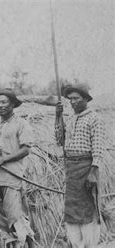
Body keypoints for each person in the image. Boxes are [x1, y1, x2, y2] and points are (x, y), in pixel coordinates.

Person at [55, 84, 106, 248]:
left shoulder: (94, 118)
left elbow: (98, 148)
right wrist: (58, 116)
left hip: (87, 167)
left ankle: (89, 244)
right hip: (71, 169)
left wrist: (93, 172)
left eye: (76, 98)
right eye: (70, 99)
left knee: (88, 207)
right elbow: (59, 141)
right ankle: (75, 243)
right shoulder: (70, 118)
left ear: (85, 99)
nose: (72, 102)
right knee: (72, 208)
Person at [0, 89, 35, 248]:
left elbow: (26, 149)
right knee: (0, 219)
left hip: (12, 176)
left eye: (4, 102)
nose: (0, 105)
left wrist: (4, 159)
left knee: (15, 216)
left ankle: (28, 244)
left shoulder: (21, 124)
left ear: (13, 104)